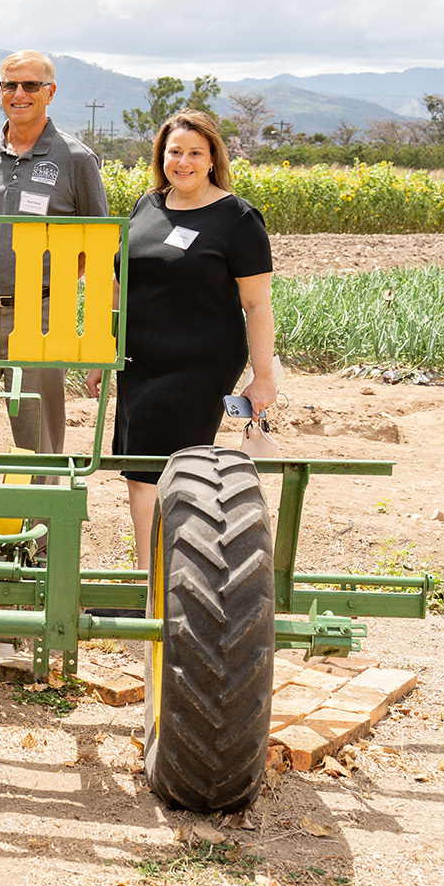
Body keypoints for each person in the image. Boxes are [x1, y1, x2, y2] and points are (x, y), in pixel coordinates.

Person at [103, 108, 276, 571]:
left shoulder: (237, 219)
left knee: (167, 471)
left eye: (195, 153)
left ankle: (167, 583)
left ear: (212, 158)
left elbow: (257, 305)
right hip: (138, 362)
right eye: (174, 152)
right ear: (161, 156)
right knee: (140, 473)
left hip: (197, 366)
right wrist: (107, 347)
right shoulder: (147, 206)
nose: (183, 162)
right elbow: (121, 281)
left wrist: (264, 379)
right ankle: (154, 582)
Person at [0, 49, 108, 459]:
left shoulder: (76, 159)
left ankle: (41, 523)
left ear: (49, 92)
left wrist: (55, 288)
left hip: (42, 315)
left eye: (31, 85)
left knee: (39, 442)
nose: (20, 93)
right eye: (9, 85)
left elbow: (99, 241)